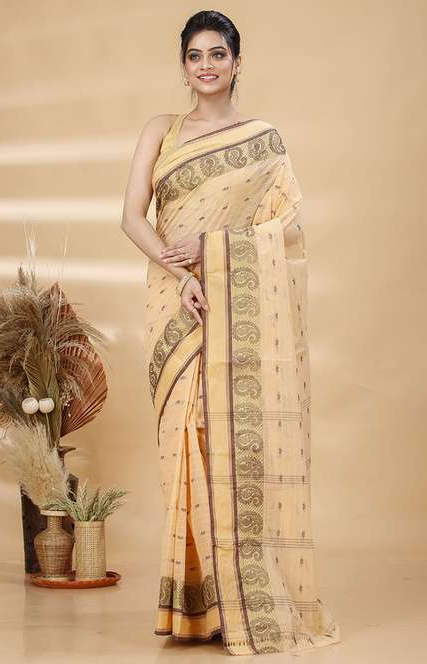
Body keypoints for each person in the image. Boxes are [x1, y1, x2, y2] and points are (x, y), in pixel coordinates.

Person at [121, 9, 341, 657]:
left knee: (227, 437)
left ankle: (237, 600)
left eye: (218, 53)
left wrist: (212, 250)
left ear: (237, 63)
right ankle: (196, 607)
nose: (207, 65)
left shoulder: (264, 140)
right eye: (195, 55)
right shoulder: (161, 130)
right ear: (183, 66)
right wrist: (178, 271)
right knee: (183, 440)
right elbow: (132, 217)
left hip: (227, 296)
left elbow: (287, 229)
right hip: (173, 301)